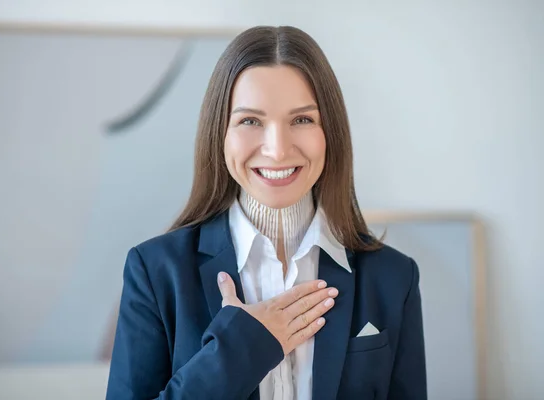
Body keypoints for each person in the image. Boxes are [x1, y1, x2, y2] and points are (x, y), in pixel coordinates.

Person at [106, 25, 426, 400]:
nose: (277, 150)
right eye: (250, 121)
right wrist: (240, 350)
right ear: (220, 134)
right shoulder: (155, 272)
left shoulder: (393, 277)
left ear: (330, 133)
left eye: (302, 119)